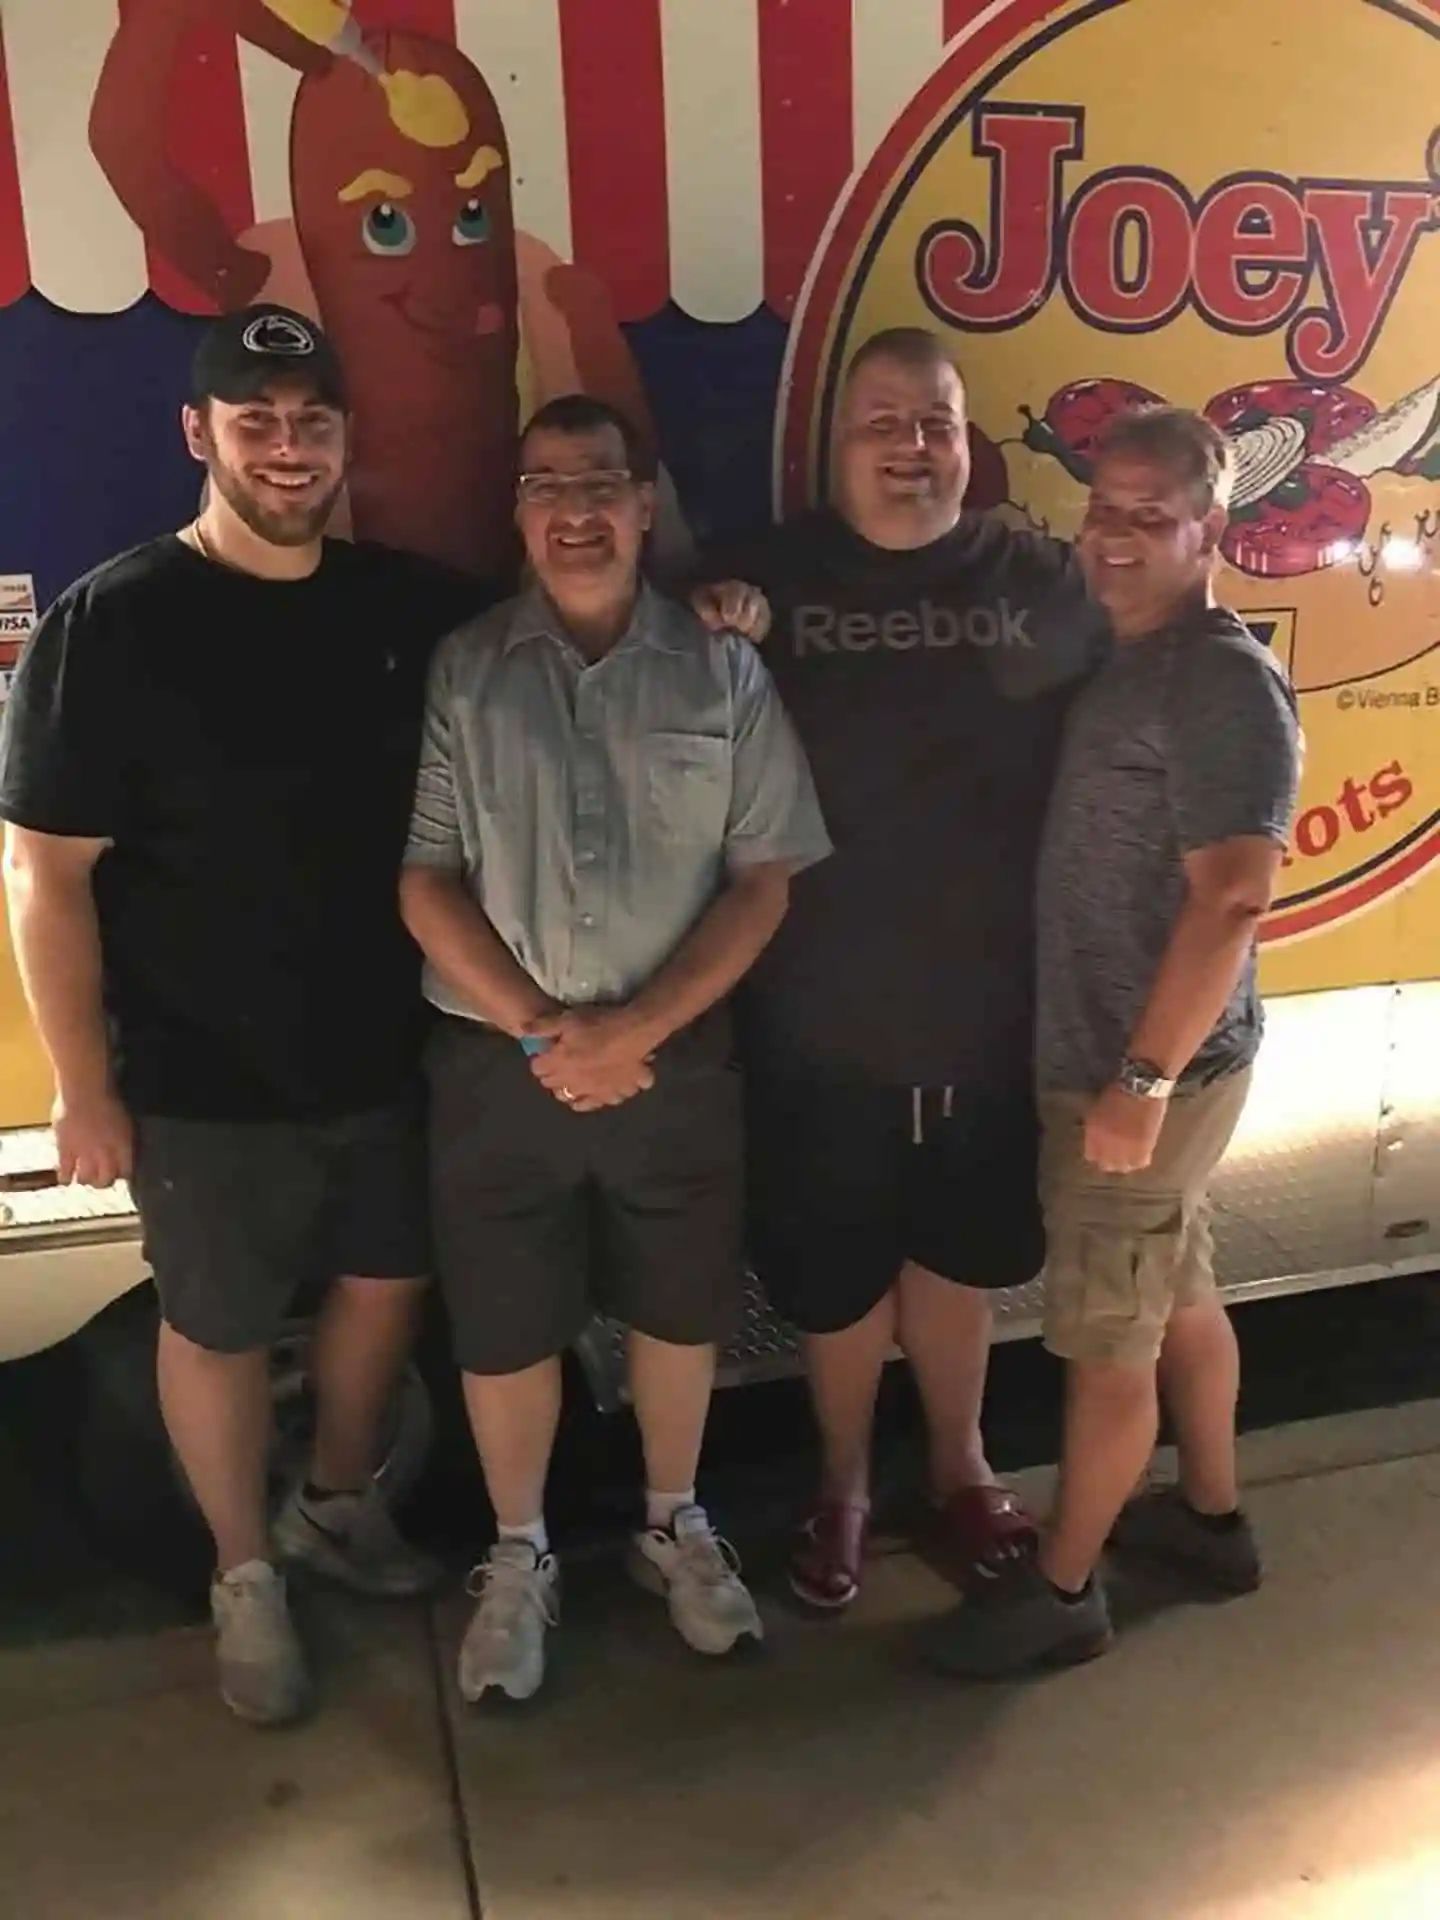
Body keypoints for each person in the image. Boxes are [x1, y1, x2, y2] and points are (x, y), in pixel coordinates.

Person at [0, 304, 482, 1727]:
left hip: (388, 1050)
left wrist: (715, 606)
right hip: (197, 1075)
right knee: (208, 1325)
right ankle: (240, 1575)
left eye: (313, 421)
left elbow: (572, 640)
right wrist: (84, 1086)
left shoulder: (411, 607)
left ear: (346, 440)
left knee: (388, 1288)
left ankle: (334, 1506)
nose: (288, 447)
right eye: (256, 421)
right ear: (197, 434)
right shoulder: (110, 622)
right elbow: (44, 876)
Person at [399, 393, 830, 1704]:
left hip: (676, 1066)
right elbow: (426, 882)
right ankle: (519, 1554)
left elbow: (765, 879)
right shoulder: (466, 670)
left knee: (679, 1307)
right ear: (518, 514)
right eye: (545, 486)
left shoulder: (726, 671)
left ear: (646, 508)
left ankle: (671, 1523)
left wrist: (633, 1031)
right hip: (496, 1068)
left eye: (600, 485)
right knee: (503, 1325)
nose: (575, 511)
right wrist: (547, 1036)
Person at [694, 328, 1104, 1611]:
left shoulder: (1041, 575)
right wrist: (713, 627)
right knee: (834, 1280)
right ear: (835, 444)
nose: (911, 447)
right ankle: (846, 1484)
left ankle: (966, 1470)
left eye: (934, 422)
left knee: (962, 1263)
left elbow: (1156, 700)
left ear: (965, 437)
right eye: (883, 422)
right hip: (814, 1009)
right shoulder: (759, 578)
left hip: (990, 1010)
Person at [925, 405, 1301, 1677]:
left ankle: (1063, 1587)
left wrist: (1137, 1082)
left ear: (1214, 527)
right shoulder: (1131, 653)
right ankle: (1209, 1521)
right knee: (1178, 1289)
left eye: (1155, 515)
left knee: (1106, 1346)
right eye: (1106, 509)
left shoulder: (1215, 677)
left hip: (1140, 1073)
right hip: (1152, 1068)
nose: (1120, 536)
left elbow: (1237, 889)